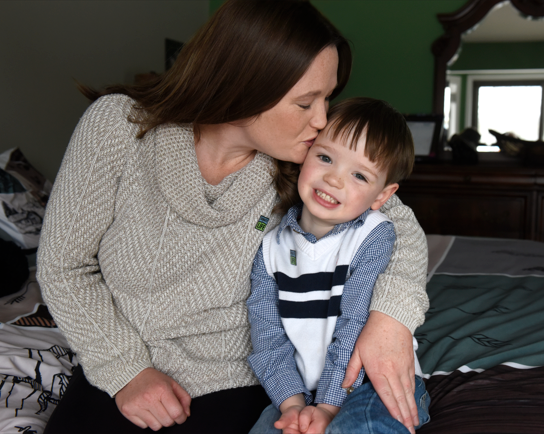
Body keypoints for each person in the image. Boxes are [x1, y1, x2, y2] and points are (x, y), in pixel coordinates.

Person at [36, 1, 428, 433]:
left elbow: (397, 222)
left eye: (328, 97)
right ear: (245, 87)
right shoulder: (118, 126)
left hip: (242, 382)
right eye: (306, 102)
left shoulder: (307, 161)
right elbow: (64, 265)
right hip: (123, 367)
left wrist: (390, 319)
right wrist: (125, 370)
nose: (322, 119)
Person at [247, 97, 430, 434]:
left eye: (359, 175)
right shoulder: (270, 247)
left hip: (373, 383)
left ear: (382, 196)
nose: (334, 179)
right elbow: (267, 337)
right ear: (305, 155)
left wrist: (329, 408)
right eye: (326, 157)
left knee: (363, 427)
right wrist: (294, 405)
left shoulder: (373, 236)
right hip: (302, 393)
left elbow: (355, 324)